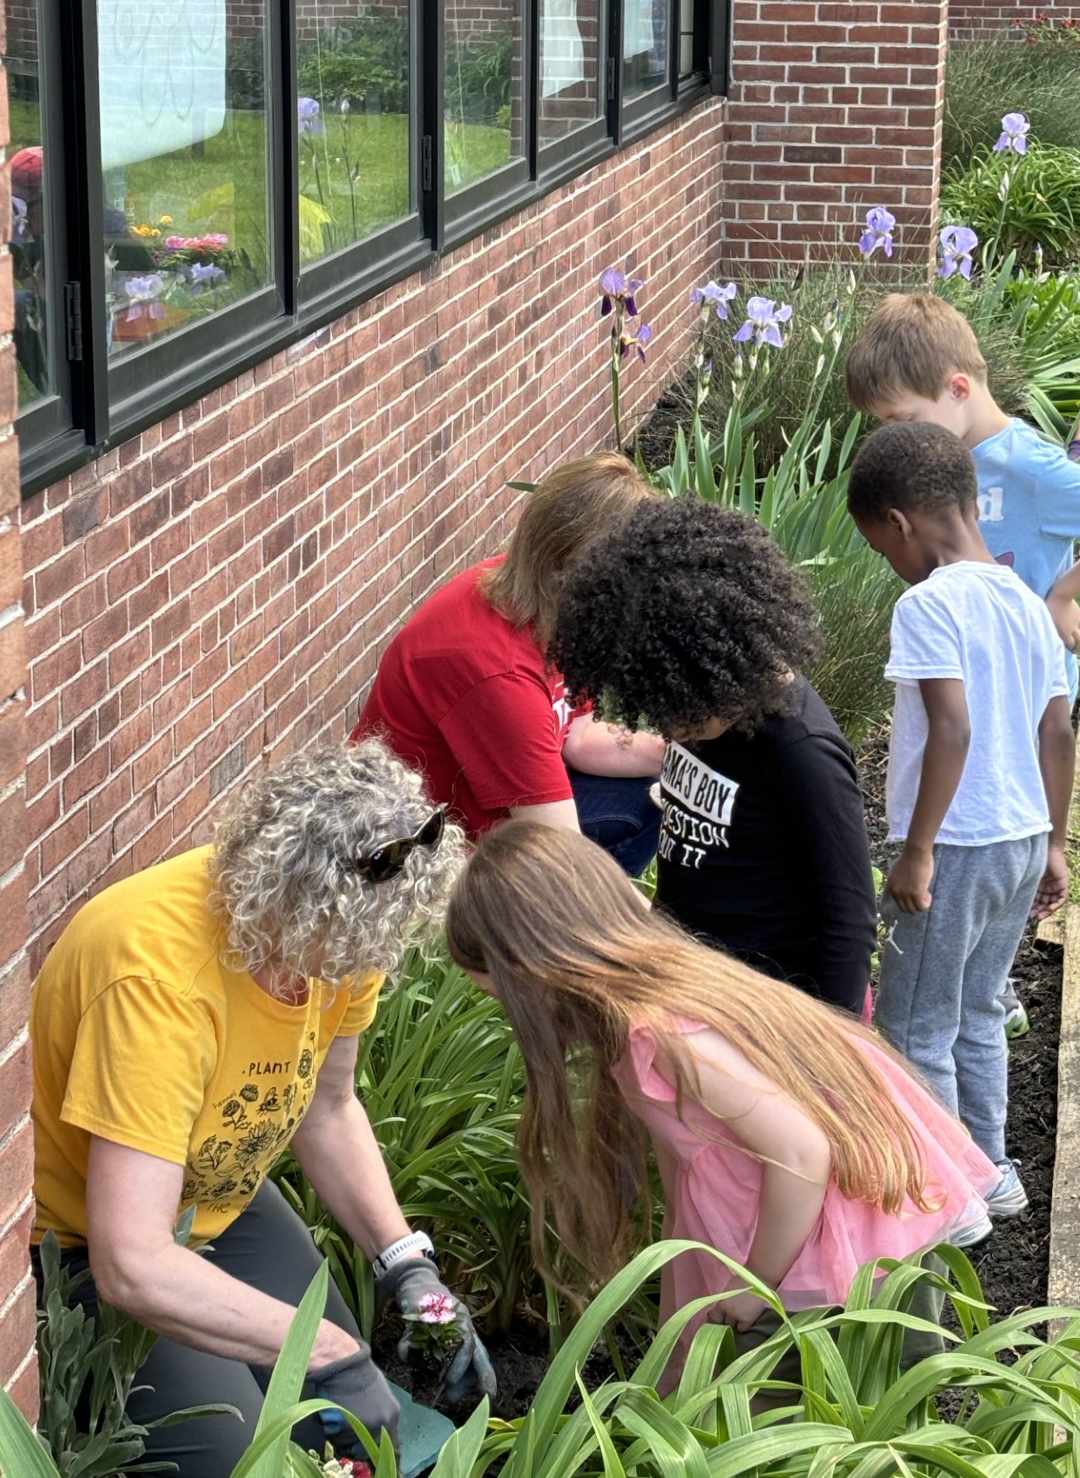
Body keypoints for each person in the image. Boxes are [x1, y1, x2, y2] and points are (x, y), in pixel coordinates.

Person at [30, 740, 495, 1478]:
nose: (346, 971)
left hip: (219, 1192)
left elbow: (328, 1108)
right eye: (332, 950)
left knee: (341, 1430)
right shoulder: (159, 981)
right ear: (273, 889)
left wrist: (406, 1264)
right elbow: (132, 1261)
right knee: (248, 1459)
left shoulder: (343, 931)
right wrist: (328, 1350)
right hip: (88, 1241)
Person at [444, 821, 999, 1379]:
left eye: (505, 998)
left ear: (538, 965)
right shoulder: (654, 991)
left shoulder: (659, 1033)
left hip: (827, 1262)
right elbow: (689, 1164)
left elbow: (802, 1152)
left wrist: (751, 1286)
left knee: (789, 1429)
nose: (514, 1017)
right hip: (809, 1235)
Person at [844, 290, 1080, 1037]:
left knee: (993, 837)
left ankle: (985, 982)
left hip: (1020, 695)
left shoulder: (1025, 464)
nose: (894, 437)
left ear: (957, 389)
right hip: (970, 677)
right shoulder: (940, 467)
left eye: (901, 420)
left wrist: (1061, 593)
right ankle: (978, 986)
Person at [847, 423, 1075, 1215]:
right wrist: (1056, 841)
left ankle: (953, 1200)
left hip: (954, 845)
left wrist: (916, 852)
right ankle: (994, 1171)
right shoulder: (1023, 597)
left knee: (915, 1025)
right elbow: (1058, 729)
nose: (890, 563)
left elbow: (951, 728)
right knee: (979, 1010)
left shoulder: (929, 606)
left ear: (899, 524)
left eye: (882, 547)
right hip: (1018, 839)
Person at [549, 497, 876, 1013]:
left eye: (680, 713)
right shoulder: (699, 703)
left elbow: (850, 919)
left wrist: (835, 1045)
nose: (672, 729)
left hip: (775, 1006)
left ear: (721, 662)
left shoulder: (802, 753)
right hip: (698, 983)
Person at [354, 453, 665, 871]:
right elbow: (562, 859)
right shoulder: (497, 672)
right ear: (575, 571)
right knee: (584, 884)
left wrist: (680, 755)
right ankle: (534, 932)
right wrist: (671, 936)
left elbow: (576, 735)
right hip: (418, 853)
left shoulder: (541, 599)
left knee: (655, 794)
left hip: (487, 806)